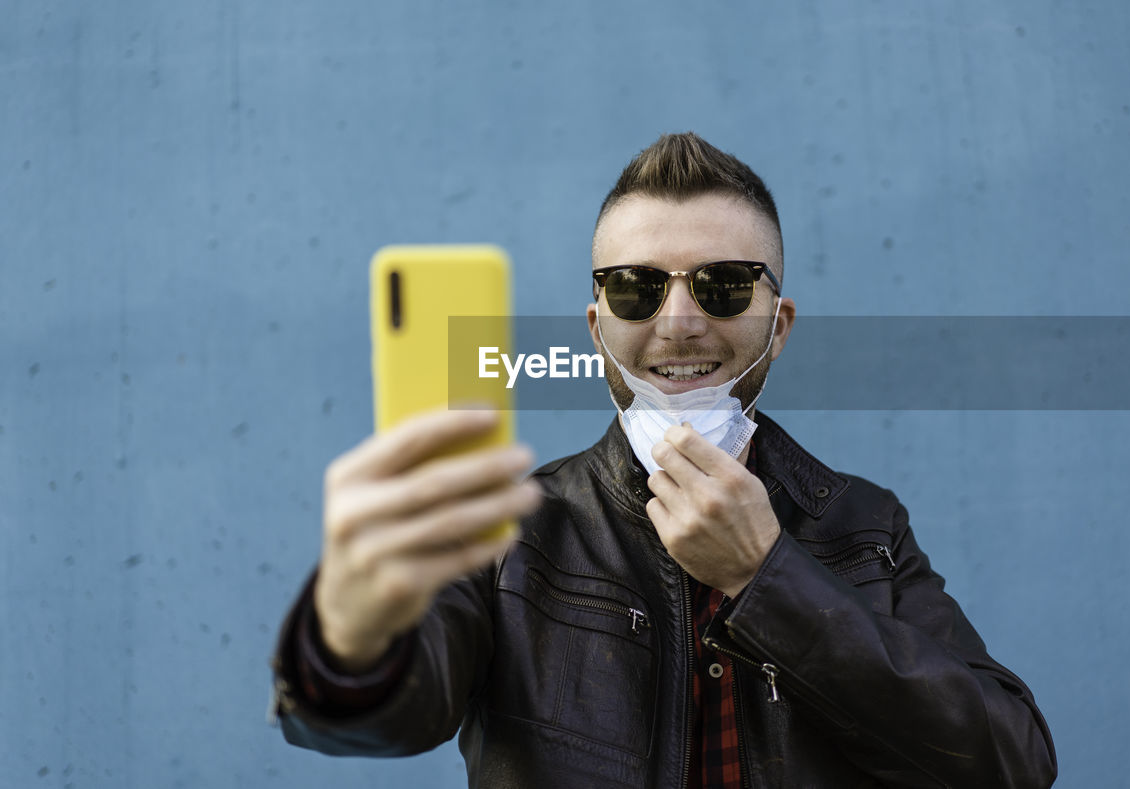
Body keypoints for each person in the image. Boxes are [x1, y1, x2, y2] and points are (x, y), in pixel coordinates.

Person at [270, 133, 1057, 787]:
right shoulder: (511, 532)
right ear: (596, 327)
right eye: (635, 289)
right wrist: (350, 626)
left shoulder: (863, 524)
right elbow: (386, 716)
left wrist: (768, 576)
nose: (678, 322)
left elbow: (1011, 760)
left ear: (777, 326)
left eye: (723, 285)